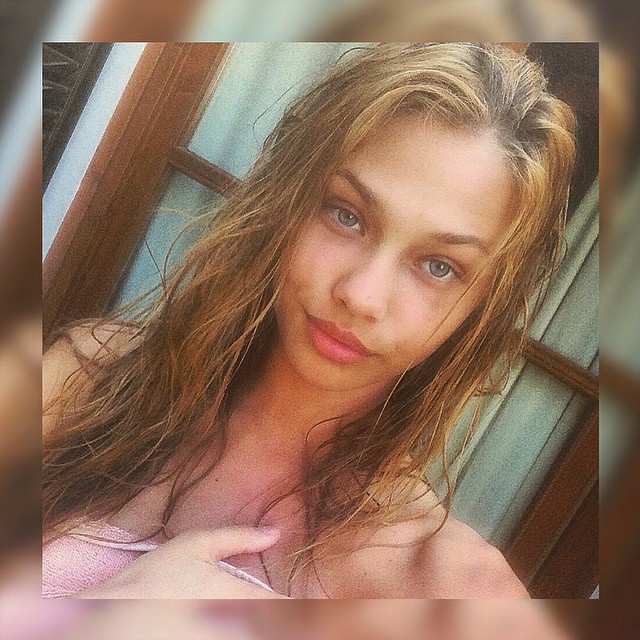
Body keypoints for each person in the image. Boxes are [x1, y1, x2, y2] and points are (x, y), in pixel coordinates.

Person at [42, 42, 575, 599]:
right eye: (347, 216)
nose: (362, 296)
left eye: (438, 266)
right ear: (287, 199)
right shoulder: (80, 385)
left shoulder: (453, 590)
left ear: (483, 305)